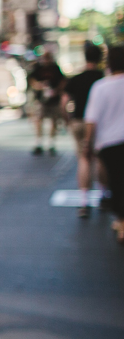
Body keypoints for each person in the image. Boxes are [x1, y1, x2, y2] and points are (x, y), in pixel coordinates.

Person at [62, 42, 107, 218]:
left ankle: (83, 200)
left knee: (83, 158)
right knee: (99, 158)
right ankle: (103, 194)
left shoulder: (76, 78)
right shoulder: (104, 79)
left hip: (78, 121)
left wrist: (68, 119)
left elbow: (64, 101)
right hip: (99, 124)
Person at [84, 45, 124, 243]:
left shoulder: (101, 87)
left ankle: (121, 222)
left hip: (109, 143)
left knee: (116, 181)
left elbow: (91, 119)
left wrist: (87, 143)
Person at [27, 50, 65, 156]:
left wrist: (57, 90)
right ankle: (39, 142)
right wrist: (39, 86)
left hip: (53, 100)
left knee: (54, 120)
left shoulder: (55, 68)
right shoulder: (38, 68)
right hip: (41, 99)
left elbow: (63, 81)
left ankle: (51, 143)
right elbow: (31, 80)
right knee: (39, 119)